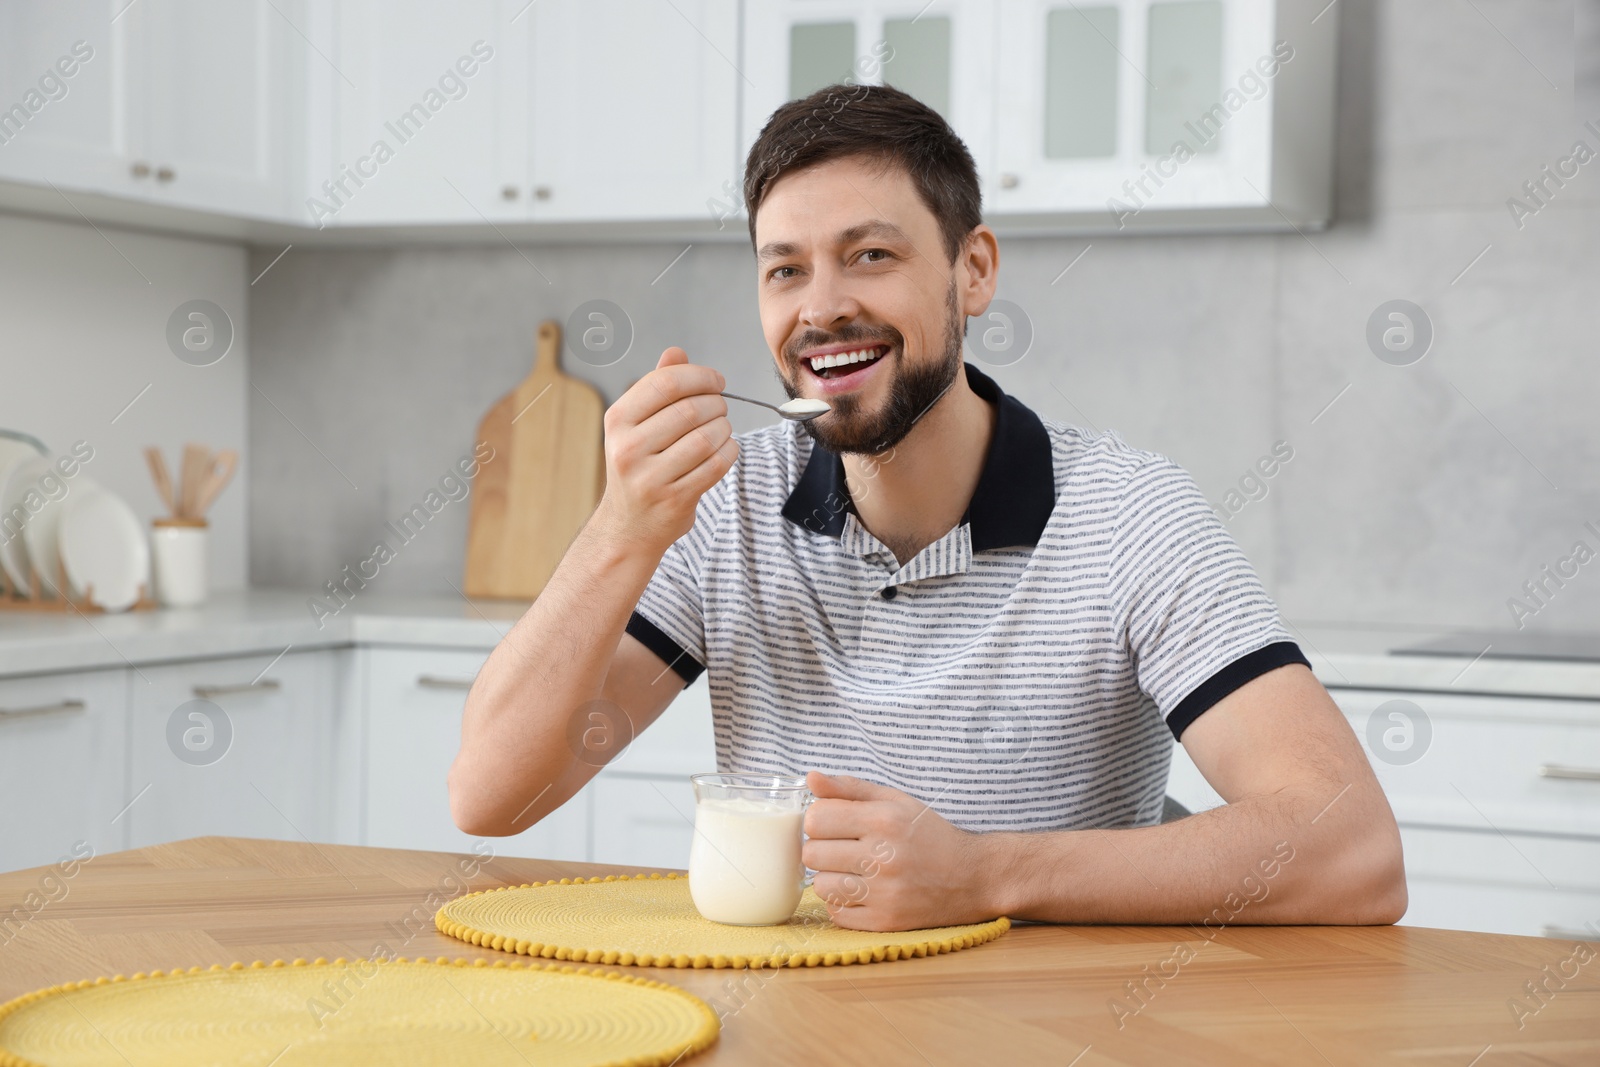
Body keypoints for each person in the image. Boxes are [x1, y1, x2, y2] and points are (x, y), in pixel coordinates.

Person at [450, 84, 1406, 932]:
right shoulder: (728, 505)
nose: (820, 308)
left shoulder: (1127, 515)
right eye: (785, 268)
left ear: (973, 271)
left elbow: (1352, 849)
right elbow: (488, 795)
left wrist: (986, 872)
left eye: (869, 254)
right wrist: (619, 529)